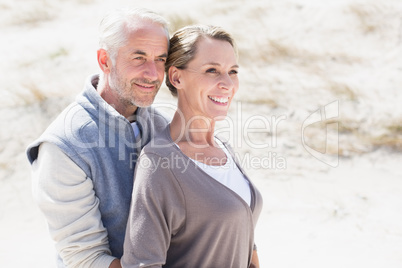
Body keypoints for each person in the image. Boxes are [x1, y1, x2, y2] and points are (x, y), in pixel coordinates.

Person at [26, 7, 170, 268]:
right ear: (105, 60)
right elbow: (88, 259)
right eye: (139, 58)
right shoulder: (64, 147)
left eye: (160, 59)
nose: (153, 73)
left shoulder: (163, 126)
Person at [121, 25, 263, 268]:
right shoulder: (159, 162)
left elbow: (243, 239)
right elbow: (142, 263)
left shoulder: (224, 148)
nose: (227, 83)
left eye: (233, 71)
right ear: (177, 77)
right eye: (212, 70)